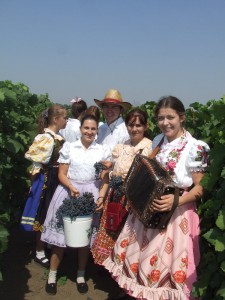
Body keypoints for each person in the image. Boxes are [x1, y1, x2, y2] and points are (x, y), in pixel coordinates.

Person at [103, 96, 210, 300]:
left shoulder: (195, 147)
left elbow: (201, 188)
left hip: (175, 215)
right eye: (161, 118)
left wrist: (176, 201)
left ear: (182, 118)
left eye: (170, 117)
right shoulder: (158, 141)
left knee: (163, 264)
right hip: (148, 211)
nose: (165, 123)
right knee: (142, 258)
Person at [41, 114, 112, 295]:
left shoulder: (101, 150)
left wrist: (101, 197)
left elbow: (105, 179)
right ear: (80, 129)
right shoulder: (70, 147)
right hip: (69, 192)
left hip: (91, 195)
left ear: (97, 131)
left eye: (93, 129)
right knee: (61, 239)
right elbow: (62, 174)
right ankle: (52, 275)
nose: (89, 132)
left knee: (84, 239)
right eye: (86, 128)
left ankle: (80, 275)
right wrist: (72, 187)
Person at [91, 108, 152, 267]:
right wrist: (102, 195)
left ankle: (120, 272)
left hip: (133, 199)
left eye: (138, 125)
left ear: (146, 126)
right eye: (131, 125)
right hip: (115, 194)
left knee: (127, 237)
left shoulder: (149, 148)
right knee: (111, 229)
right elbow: (113, 170)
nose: (134, 129)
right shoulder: (122, 146)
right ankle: (108, 268)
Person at [21, 104, 67, 268]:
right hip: (46, 181)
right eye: (64, 117)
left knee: (50, 213)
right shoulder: (46, 139)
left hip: (55, 180)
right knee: (42, 213)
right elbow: (35, 167)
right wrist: (35, 187)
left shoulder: (56, 137)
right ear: (56, 119)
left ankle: (46, 244)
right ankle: (39, 250)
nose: (66, 120)